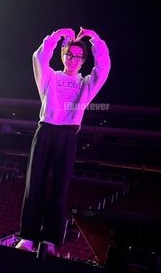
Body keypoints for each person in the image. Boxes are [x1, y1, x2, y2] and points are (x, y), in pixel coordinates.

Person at [16, 27, 111, 254]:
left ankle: (49, 240)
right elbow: (38, 57)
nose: (73, 59)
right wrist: (57, 35)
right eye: (69, 54)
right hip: (46, 130)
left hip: (68, 136)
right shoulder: (50, 77)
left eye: (78, 56)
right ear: (63, 56)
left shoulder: (86, 83)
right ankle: (28, 237)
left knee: (60, 187)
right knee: (35, 183)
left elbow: (104, 67)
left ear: (83, 60)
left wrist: (95, 40)